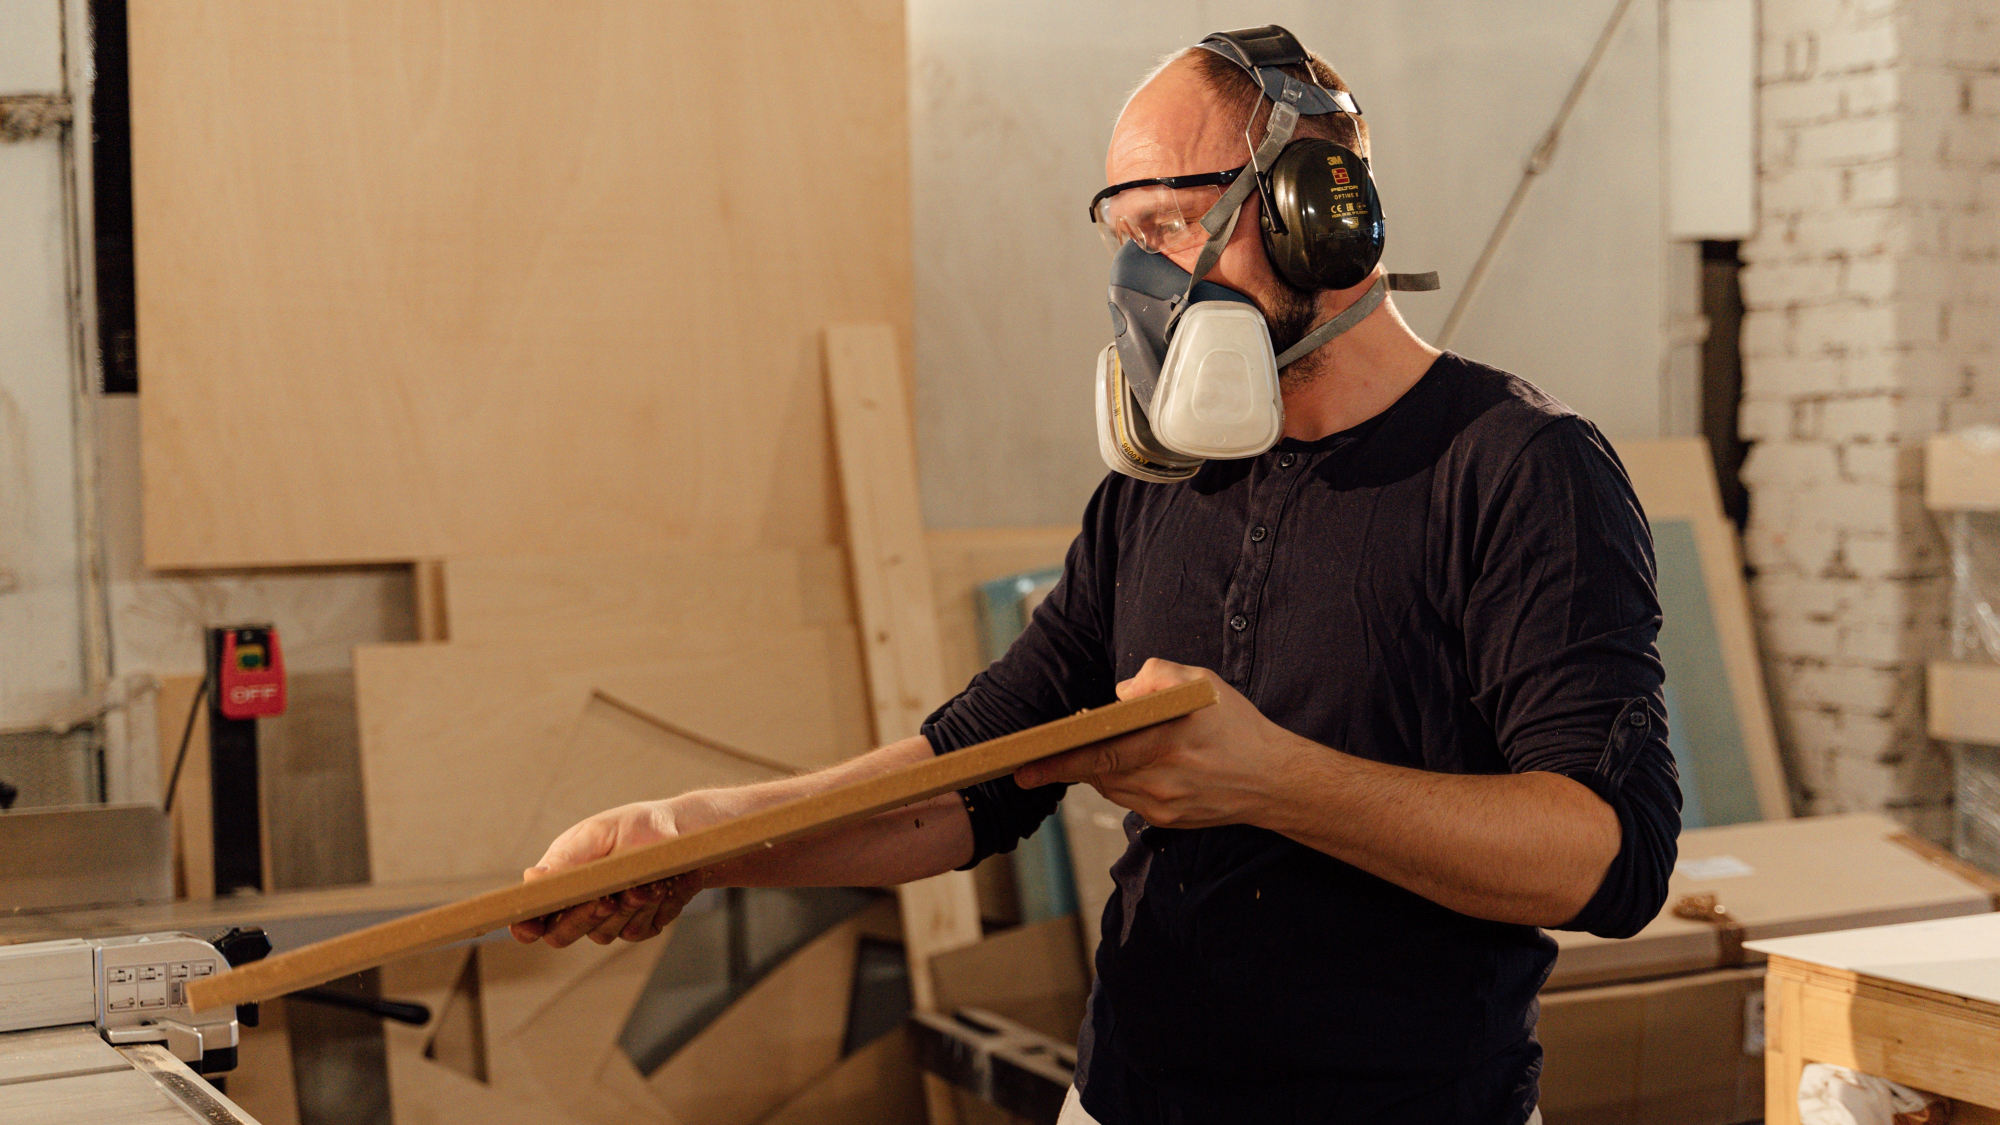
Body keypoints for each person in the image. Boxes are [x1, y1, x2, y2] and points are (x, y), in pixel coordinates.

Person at [512, 27, 1679, 1125]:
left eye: (1172, 226)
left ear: (1316, 219)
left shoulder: (1516, 470)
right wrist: (695, 837)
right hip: (1124, 1097)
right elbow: (975, 778)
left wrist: (1273, 780)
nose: (1143, 285)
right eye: (1123, 238)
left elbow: (1608, 859)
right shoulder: (1162, 486)